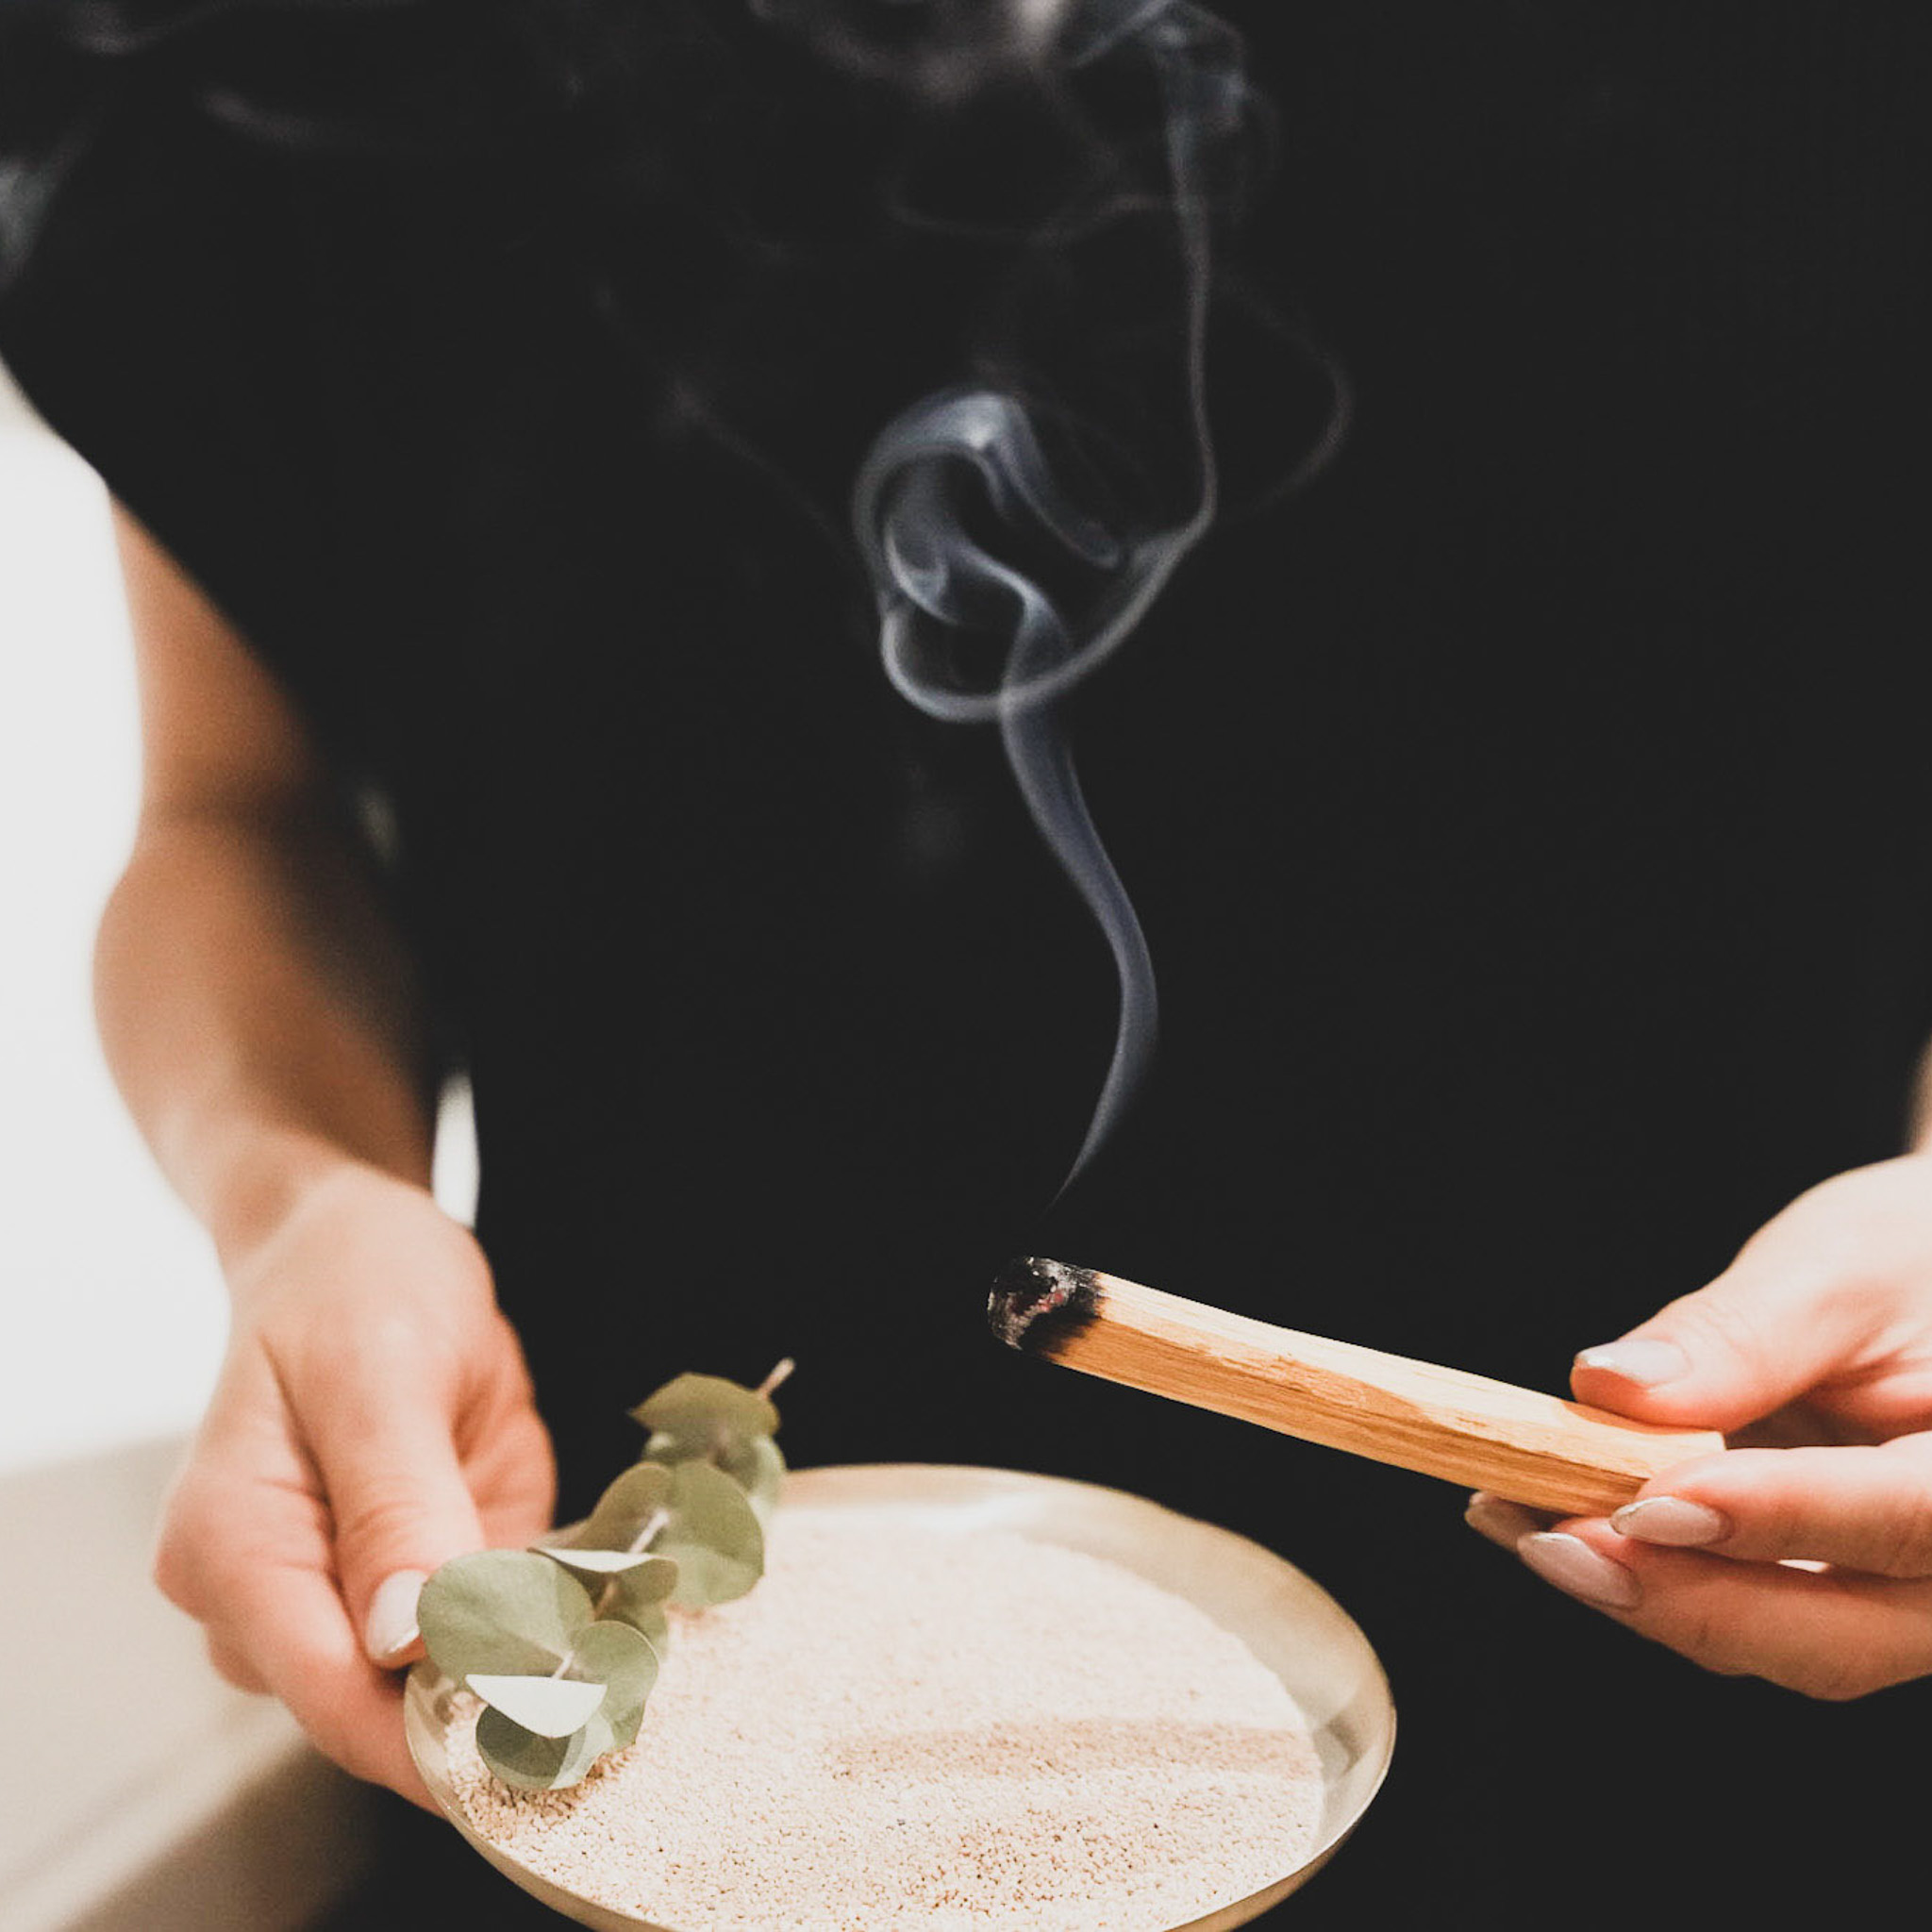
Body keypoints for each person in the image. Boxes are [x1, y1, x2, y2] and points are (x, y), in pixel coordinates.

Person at [4, 0, 1930, 1922]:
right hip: (622, 1697)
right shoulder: (288, 65)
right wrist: (308, 1202)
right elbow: (237, 819)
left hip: (1699, 1718)